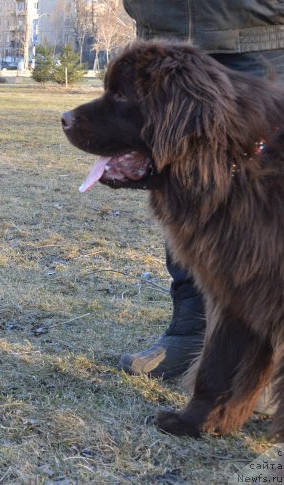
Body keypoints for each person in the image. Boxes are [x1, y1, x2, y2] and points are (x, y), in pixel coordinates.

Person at [117, 0, 284, 398]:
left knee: (265, 212)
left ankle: (259, 360)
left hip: (256, 33)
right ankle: (191, 328)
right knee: (179, 191)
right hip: (165, 30)